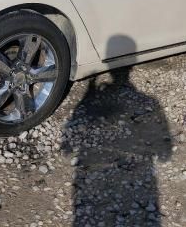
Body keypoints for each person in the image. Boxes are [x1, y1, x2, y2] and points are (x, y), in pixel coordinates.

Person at [63, 35, 172, 226]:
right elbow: (164, 151)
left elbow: (69, 142)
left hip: (92, 173)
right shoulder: (149, 102)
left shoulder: (145, 102)